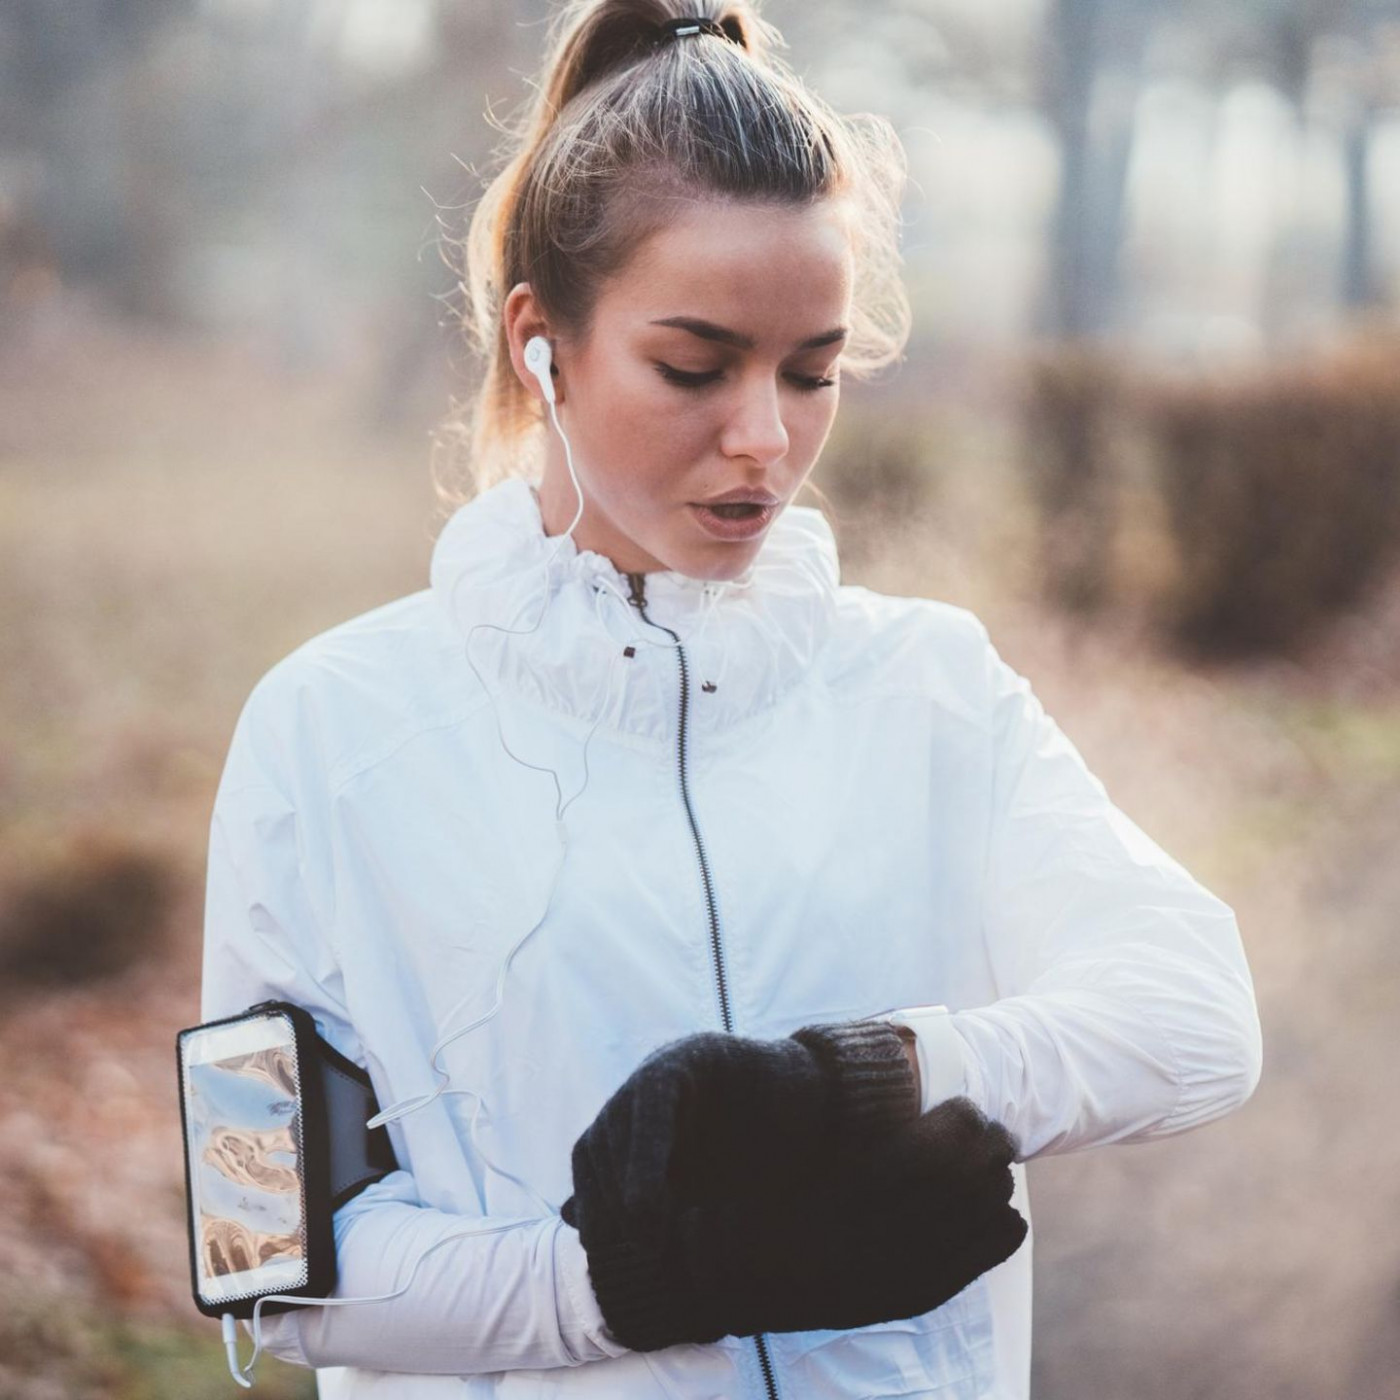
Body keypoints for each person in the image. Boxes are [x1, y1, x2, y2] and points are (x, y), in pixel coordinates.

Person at [198, 2, 1264, 1397]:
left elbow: (1197, 1017)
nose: (765, 438)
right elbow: (265, 1258)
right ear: (543, 341)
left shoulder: (930, 685)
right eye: (694, 366)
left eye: (812, 371)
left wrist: (876, 1081)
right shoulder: (325, 730)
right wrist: (620, 1287)